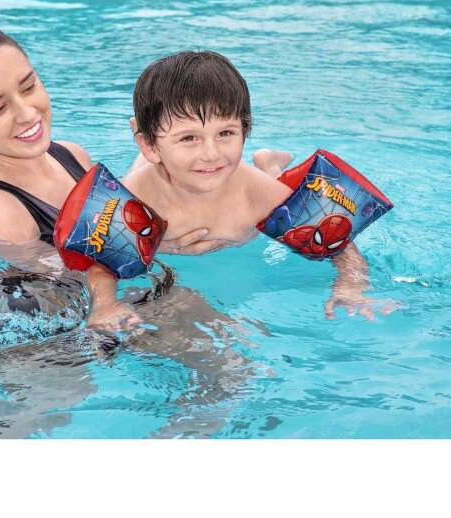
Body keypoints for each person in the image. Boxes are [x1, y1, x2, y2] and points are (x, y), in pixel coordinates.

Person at [0, 25, 215, 330]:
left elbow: (115, 221)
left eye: (28, 87)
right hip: (51, 346)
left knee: (197, 311)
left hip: (113, 313)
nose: (26, 113)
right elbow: (75, 275)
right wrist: (161, 245)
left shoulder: (71, 154)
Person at [120, 51, 386, 327]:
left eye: (226, 133)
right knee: (144, 171)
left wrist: (351, 285)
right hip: (159, 173)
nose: (211, 154)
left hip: (214, 177)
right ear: (149, 145)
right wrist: (145, 252)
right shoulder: (137, 195)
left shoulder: (256, 194)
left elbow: (337, 242)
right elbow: (98, 255)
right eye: (189, 137)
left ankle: (270, 165)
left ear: (244, 129)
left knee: (280, 193)